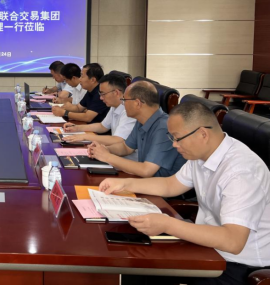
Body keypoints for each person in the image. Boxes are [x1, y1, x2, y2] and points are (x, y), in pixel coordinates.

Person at [100, 102, 270, 285]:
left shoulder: (241, 172)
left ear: (203, 134)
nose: (174, 144)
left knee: (145, 265)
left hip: (239, 265)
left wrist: (167, 224)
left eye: (177, 138)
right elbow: (170, 185)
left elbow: (233, 241)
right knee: (137, 260)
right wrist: (125, 183)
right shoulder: (202, 154)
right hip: (207, 246)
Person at [87, 81, 186, 177]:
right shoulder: (141, 120)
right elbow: (126, 148)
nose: (123, 104)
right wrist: (104, 149)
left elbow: (146, 170)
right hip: (145, 180)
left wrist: (107, 156)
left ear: (137, 103)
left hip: (160, 185)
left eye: (124, 100)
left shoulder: (164, 128)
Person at [64, 74, 137, 159]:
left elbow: (118, 140)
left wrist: (85, 137)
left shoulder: (129, 110)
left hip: (128, 160)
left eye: (103, 94)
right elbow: (102, 126)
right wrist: (77, 128)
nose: (101, 98)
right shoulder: (114, 105)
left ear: (116, 93)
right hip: (114, 155)